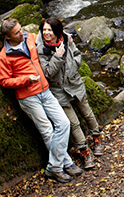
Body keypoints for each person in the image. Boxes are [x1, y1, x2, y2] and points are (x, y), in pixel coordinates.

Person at [0, 18, 83, 184]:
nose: (21, 33)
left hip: (45, 90)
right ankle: (63, 165)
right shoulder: (4, 56)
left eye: (20, 29)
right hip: (28, 97)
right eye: (17, 32)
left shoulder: (30, 38)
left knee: (64, 123)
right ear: (8, 37)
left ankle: (54, 167)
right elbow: (4, 81)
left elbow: (49, 36)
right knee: (47, 131)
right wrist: (26, 80)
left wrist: (65, 37)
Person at [37, 17, 103, 169]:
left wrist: (74, 66)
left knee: (87, 113)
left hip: (74, 83)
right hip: (58, 90)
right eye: (44, 30)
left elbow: (77, 55)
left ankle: (97, 137)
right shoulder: (41, 50)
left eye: (50, 30)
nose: (46, 33)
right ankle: (85, 151)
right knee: (73, 123)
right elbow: (47, 73)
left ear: (57, 31)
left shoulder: (66, 39)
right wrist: (58, 57)